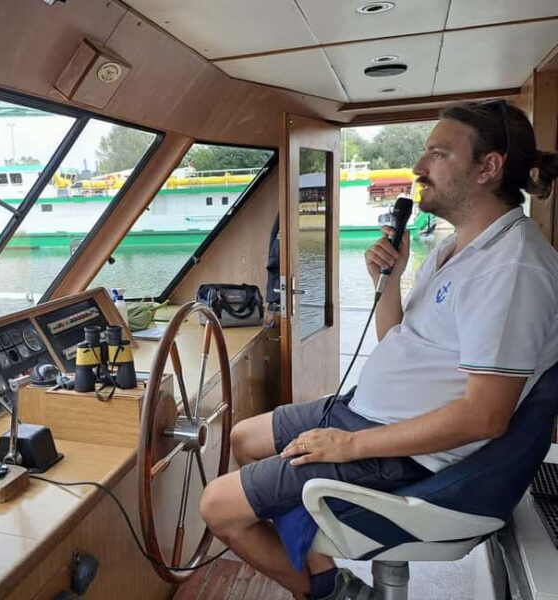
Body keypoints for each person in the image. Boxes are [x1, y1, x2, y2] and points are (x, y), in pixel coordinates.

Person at [199, 100, 558, 600]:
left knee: (218, 507)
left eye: (438, 153)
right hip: (364, 414)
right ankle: (316, 557)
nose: (418, 167)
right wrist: (384, 283)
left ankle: (329, 590)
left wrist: (348, 446)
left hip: (407, 454)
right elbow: (398, 341)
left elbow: (485, 417)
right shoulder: (456, 248)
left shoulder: (512, 269)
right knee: (244, 438)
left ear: (488, 167)